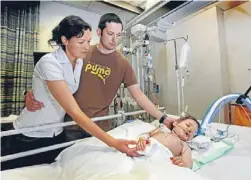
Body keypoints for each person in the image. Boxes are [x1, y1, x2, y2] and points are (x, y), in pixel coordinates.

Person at [2, 15, 138, 170]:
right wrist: (114, 143)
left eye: (88, 41)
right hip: (30, 134)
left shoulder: (79, 62)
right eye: (81, 42)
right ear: (65, 40)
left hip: (56, 134)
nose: (87, 46)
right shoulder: (50, 63)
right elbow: (74, 111)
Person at [26, 13, 175, 135]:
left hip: (101, 126)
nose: (114, 39)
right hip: (71, 125)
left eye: (118, 35)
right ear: (99, 32)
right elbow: (50, 75)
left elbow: (139, 95)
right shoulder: (81, 52)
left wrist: (163, 118)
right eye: (110, 34)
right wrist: (29, 93)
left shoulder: (123, 64)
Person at [136, 115, 200, 168]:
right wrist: (142, 139)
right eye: (188, 125)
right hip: (147, 148)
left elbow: (189, 163)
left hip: (163, 159)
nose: (189, 130)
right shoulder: (162, 130)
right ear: (176, 123)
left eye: (193, 133)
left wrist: (184, 163)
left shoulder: (184, 145)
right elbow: (147, 134)